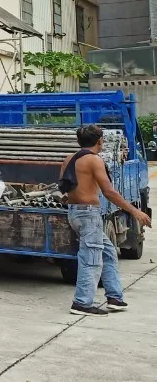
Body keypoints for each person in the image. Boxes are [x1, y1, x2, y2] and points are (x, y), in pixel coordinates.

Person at [58, 123, 150, 316]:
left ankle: (115, 298)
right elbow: (109, 192)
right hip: (88, 214)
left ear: (78, 141)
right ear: (100, 141)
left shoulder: (69, 159)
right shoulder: (94, 160)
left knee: (108, 252)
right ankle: (82, 303)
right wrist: (136, 212)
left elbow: (63, 188)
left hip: (75, 213)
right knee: (91, 259)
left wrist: (75, 196)